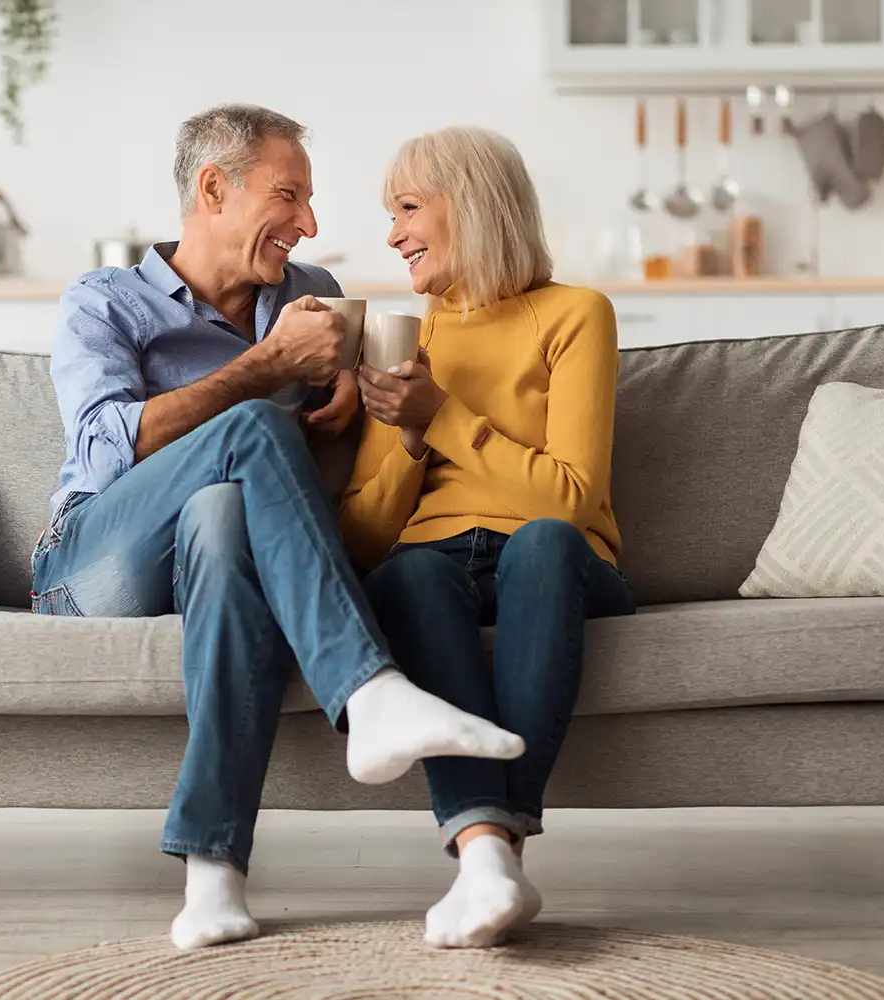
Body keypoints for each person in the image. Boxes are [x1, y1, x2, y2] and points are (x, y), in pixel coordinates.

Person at [34, 105, 525, 952]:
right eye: (288, 196)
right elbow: (107, 451)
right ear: (213, 189)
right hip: (93, 562)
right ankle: (369, 691)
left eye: (309, 200)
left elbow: (348, 445)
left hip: (215, 562)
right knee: (253, 428)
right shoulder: (103, 301)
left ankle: (212, 872)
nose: (309, 224)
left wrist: (355, 399)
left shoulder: (313, 296)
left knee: (223, 514)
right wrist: (264, 370)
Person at [340, 126, 635, 949]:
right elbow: (361, 538)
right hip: (434, 560)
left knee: (540, 543)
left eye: (406, 209)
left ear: (468, 206)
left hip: (560, 561)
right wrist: (406, 440)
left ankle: (499, 842)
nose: (392, 235)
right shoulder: (407, 338)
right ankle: (485, 861)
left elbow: (568, 502)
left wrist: (442, 416)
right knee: (407, 577)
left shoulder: (574, 315)